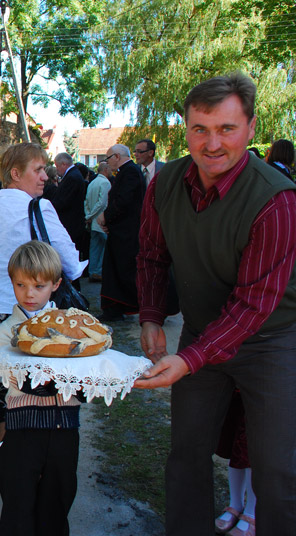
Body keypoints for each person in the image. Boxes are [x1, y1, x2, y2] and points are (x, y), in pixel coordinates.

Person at [134, 73, 296, 536]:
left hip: (272, 341)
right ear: (184, 129)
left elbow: (253, 305)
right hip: (203, 332)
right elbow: (150, 254)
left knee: (277, 468)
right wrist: (149, 316)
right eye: (199, 129)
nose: (212, 143)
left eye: (226, 128)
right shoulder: (164, 183)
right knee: (186, 452)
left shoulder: (277, 201)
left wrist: (188, 358)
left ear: (250, 127)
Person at [0, 142, 86, 491]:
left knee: (0, 396)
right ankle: (35, 466)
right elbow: (71, 265)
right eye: (39, 169)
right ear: (16, 174)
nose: (46, 176)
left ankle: (4, 468)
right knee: (36, 394)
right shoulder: (39, 207)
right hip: (32, 318)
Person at [0, 240, 82, 536]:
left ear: (56, 285)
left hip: (64, 433)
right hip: (22, 434)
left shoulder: (73, 330)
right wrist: (67, 377)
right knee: (18, 512)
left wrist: (84, 381)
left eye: (39, 286)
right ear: (12, 283)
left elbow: (83, 384)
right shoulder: (5, 333)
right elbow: (25, 383)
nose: (29, 294)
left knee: (56, 508)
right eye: (21, 284)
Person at [96, 144, 145, 321]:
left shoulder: (130, 172)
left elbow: (123, 201)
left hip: (127, 233)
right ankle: (115, 308)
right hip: (120, 231)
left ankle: (123, 307)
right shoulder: (126, 172)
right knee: (115, 272)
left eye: (108, 159)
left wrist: (105, 217)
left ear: (117, 156)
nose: (107, 164)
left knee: (124, 272)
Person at [214, 392, 256, 536]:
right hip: (240, 387)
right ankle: (235, 504)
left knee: (253, 448)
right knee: (236, 444)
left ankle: (252, 512)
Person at [52, 152, 88, 254]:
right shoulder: (74, 175)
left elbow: (63, 201)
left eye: (57, 166)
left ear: (64, 164)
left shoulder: (72, 177)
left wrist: (48, 206)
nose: (57, 169)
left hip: (71, 224)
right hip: (73, 222)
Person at [84, 161, 111, 283]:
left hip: (93, 221)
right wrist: (91, 215)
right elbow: (102, 203)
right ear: (105, 170)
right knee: (104, 248)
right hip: (101, 220)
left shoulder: (93, 182)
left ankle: (92, 271)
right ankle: (98, 271)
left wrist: (88, 215)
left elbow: (87, 201)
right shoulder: (105, 182)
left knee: (94, 247)